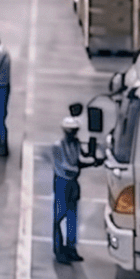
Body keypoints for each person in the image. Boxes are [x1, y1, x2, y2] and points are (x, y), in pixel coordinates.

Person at [51, 113, 94, 264]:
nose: (74, 134)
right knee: (59, 217)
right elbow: (68, 166)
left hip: (73, 182)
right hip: (62, 182)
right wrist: (89, 164)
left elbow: (80, 159)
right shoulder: (58, 146)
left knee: (72, 217)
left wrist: (93, 156)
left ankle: (71, 247)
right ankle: (58, 249)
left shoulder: (76, 144)